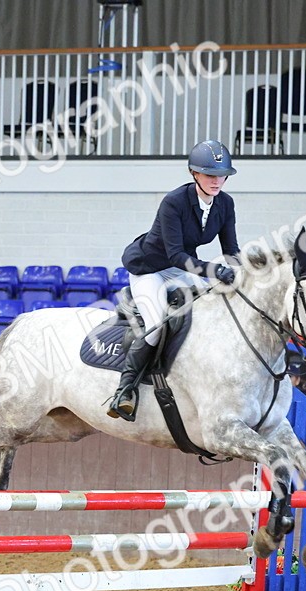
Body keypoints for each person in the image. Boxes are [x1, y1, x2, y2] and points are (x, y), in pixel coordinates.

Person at [108, 139, 241, 421]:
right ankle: (125, 390)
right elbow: (176, 254)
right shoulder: (174, 202)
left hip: (181, 267)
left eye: (221, 175)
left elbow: (231, 250)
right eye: (209, 174)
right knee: (156, 324)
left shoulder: (226, 204)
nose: (217, 181)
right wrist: (215, 271)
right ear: (195, 174)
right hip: (150, 269)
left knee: (215, 305)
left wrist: (244, 275)